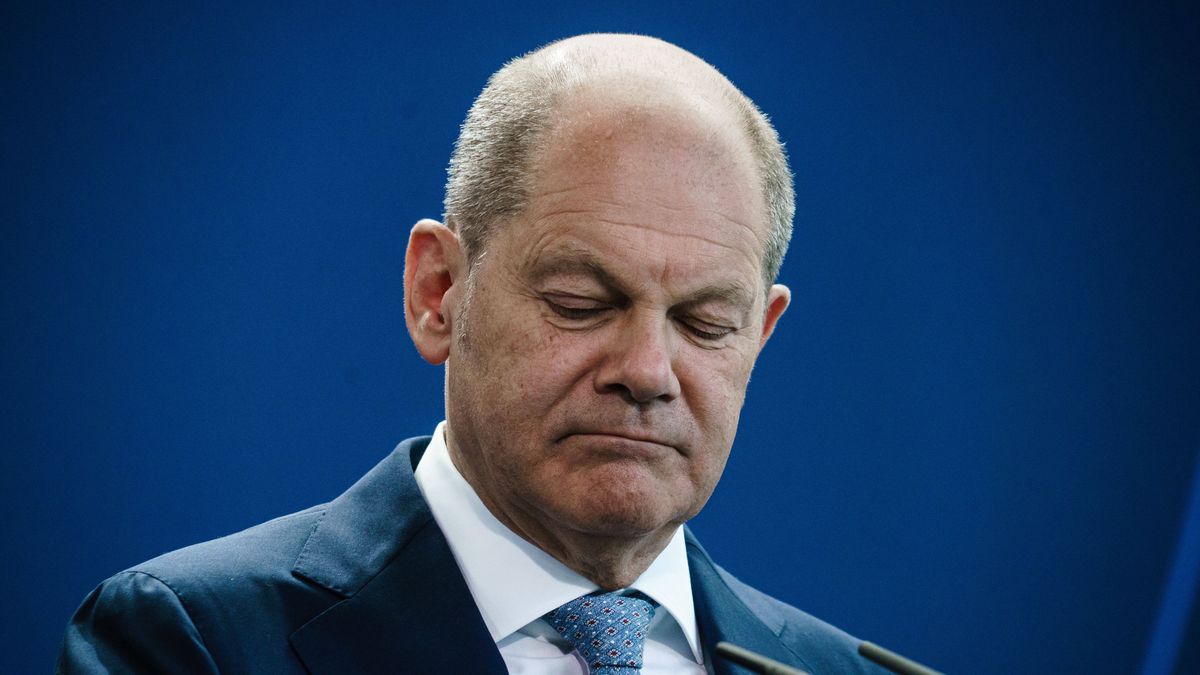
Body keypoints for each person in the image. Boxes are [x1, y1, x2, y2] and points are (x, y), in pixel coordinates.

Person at [58, 34, 887, 674]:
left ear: (762, 335)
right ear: (439, 293)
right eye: (580, 303)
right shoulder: (192, 641)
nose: (645, 369)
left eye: (705, 321)